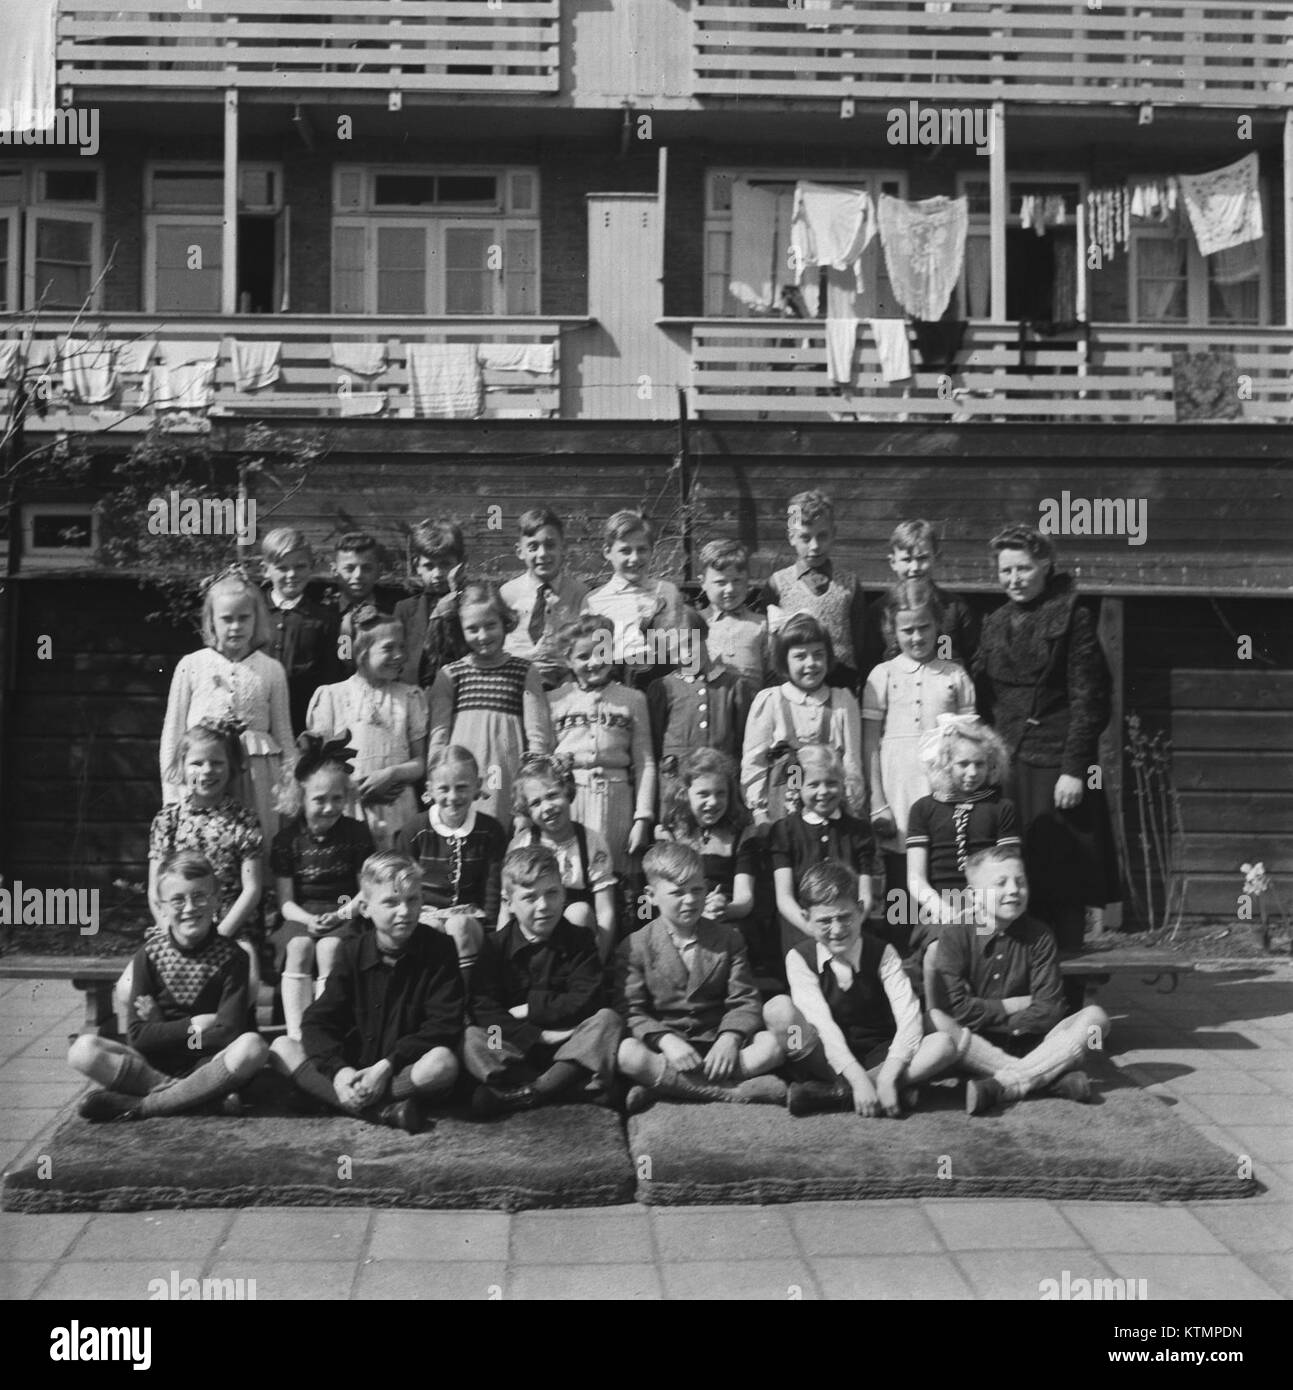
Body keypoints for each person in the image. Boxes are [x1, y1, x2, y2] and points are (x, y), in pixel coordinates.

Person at [972, 526, 1118, 955]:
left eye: (1023, 568)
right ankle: (1021, 979)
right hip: (1008, 766)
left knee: (1063, 877)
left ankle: (1070, 986)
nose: (1014, 579)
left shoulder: (1073, 616)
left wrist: (1075, 770)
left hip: (1057, 768)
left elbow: (1089, 699)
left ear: (1045, 566)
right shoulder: (995, 622)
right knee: (1014, 875)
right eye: (1005, 570)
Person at [269, 851, 463, 1134]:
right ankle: (382, 1111)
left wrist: (387, 1066)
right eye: (391, 902)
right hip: (355, 1065)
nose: (405, 911)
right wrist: (338, 1071)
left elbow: (445, 1024)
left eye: (413, 900)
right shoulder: (352, 951)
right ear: (367, 907)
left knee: (443, 1063)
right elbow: (317, 1021)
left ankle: (335, 1097)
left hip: (403, 1067)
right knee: (281, 1047)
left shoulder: (440, 948)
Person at [70, 852, 268, 1122]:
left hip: (209, 1064)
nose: (189, 908)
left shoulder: (234, 958)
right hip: (156, 1066)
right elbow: (138, 1037)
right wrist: (195, 1025)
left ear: (216, 901)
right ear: (162, 907)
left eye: (199, 896)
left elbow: (227, 1033)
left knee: (252, 1047)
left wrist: (162, 1029)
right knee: (83, 1051)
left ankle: (146, 1106)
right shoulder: (149, 955)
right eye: (177, 899)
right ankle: (199, 1099)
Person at [928, 846, 1111, 1115]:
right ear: (973, 895)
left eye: (1020, 881)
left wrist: (1000, 1018)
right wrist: (1011, 1005)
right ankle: (1046, 1078)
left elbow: (1049, 1009)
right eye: (1001, 883)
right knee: (934, 1019)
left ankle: (1004, 1084)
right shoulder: (955, 936)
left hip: (1033, 1039)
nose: (1014, 890)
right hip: (975, 1046)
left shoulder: (1040, 935)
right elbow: (956, 1009)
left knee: (1097, 1020)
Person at [763, 862, 955, 1117]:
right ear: (806, 919)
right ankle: (877, 1090)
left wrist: (888, 1075)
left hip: (881, 1055)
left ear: (861, 909)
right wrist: (857, 1079)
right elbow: (822, 1025)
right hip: (824, 1059)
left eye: (845, 917)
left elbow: (908, 1018)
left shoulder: (883, 953)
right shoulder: (799, 958)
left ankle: (832, 1096)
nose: (837, 929)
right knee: (779, 1012)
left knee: (943, 1045)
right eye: (825, 921)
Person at [614, 843, 785, 1109]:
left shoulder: (729, 939)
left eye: (697, 890)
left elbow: (745, 1000)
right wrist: (665, 1040)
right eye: (678, 893)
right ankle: (734, 1092)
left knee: (773, 1045)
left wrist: (730, 1038)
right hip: (668, 1050)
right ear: (650, 895)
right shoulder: (634, 945)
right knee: (626, 1054)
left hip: (717, 1047)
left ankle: (668, 1087)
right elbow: (631, 1010)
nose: (691, 900)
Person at [463, 845, 625, 1115]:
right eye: (529, 897)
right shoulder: (495, 947)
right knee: (473, 1037)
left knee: (608, 1020)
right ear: (509, 902)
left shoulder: (579, 940)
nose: (543, 906)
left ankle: (532, 1093)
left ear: (564, 893)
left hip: (570, 1043)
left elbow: (588, 997)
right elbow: (484, 1008)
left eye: (552, 893)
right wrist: (537, 1036)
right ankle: (567, 1087)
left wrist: (532, 1009)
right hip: (515, 1047)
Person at [125, 721, 265, 1028]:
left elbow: (251, 889)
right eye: (197, 763)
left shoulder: (244, 821)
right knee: (127, 990)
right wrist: (172, 933)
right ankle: (163, 1041)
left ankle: (221, 1040)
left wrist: (219, 936)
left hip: (229, 928)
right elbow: (155, 891)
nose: (207, 771)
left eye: (217, 762)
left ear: (230, 767)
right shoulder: (167, 820)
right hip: (175, 926)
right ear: (182, 767)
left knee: (250, 983)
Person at [159, 570, 293, 845]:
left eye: (244, 618)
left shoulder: (271, 670)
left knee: (256, 844)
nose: (235, 627)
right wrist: (172, 792)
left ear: (256, 620)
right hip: (205, 772)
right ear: (211, 621)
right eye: (226, 619)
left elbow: (284, 733)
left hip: (259, 777)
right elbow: (173, 733)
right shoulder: (192, 666)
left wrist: (291, 787)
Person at [862, 578, 976, 896]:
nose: (917, 637)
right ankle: (902, 939)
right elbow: (870, 743)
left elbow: (969, 743)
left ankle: (941, 938)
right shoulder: (881, 675)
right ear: (892, 631)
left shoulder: (956, 676)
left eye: (924, 627)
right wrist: (876, 801)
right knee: (900, 869)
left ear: (937, 624)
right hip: (896, 784)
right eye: (907, 630)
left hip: (941, 785)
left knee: (942, 862)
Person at [271, 731, 374, 1040]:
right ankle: (296, 1033)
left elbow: (364, 890)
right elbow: (286, 902)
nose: (329, 807)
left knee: (330, 947)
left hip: (345, 910)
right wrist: (309, 921)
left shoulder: (355, 833)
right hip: (301, 915)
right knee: (298, 946)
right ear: (300, 798)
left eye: (337, 799)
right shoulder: (287, 840)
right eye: (319, 799)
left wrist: (342, 915)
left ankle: (324, 1030)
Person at [428, 579, 553, 826]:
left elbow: (537, 738)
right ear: (461, 631)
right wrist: (435, 783)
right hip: (460, 779)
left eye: (490, 625)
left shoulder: (525, 671)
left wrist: (532, 793)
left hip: (507, 776)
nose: (483, 635)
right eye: (473, 629)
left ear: (505, 623)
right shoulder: (450, 675)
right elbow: (439, 737)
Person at [548, 613, 657, 877]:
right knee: (571, 872)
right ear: (568, 660)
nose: (595, 662)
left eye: (602, 652)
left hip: (617, 798)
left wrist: (642, 817)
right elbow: (543, 763)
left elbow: (645, 762)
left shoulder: (633, 699)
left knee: (614, 874)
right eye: (583, 657)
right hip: (569, 799)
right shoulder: (554, 700)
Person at [306, 617, 428, 849]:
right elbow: (319, 765)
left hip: (397, 805)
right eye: (389, 648)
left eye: (402, 646)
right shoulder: (333, 696)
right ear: (362, 652)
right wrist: (355, 790)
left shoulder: (410, 697)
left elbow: (420, 762)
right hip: (348, 805)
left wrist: (390, 775)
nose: (399, 655)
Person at [393, 745, 509, 988]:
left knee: (458, 925)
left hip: (470, 919)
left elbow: (492, 885)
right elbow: (401, 885)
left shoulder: (490, 831)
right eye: (444, 789)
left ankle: (466, 1003)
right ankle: (429, 998)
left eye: (462, 787)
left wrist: (491, 931)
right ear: (429, 790)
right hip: (425, 915)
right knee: (429, 927)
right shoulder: (415, 829)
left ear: (477, 785)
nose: (453, 797)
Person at [741, 612, 865, 826]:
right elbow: (755, 760)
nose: (811, 663)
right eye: (800, 656)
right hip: (785, 798)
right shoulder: (771, 700)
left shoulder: (842, 700)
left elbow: (852, 760)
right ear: (784, 660)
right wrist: (759, 810)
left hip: (830, 802)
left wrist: (853, 804)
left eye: (818, 654)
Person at [770, 743, 881, 955]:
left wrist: (847, 929)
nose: (823, 792)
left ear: (842, 784)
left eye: (831, 783)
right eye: (813, 785)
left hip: (849, 933)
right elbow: (784, 898)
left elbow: (865, 895)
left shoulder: (859, 831)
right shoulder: (784, 831)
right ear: (799, 786)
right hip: (802, 933)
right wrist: (814, 929)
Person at [508, 753, 618, 961]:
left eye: (552, 795)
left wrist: (600, 961)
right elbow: (509, 906)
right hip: (535, 927)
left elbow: (606, 911)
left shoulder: (592, 842)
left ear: (567, 791)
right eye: (536, 803)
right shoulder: (521, 844)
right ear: (526, 810)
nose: (547, 807)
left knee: (579, 912)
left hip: (578, 943)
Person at [646, 606, 753, 813]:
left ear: (704, 637)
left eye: (690, 643)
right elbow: (655, 742)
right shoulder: (662, 688)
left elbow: (743, 741)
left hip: (719, 788)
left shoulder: (733, 685)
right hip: (675, 785)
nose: (685, 654)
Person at [761, 489, 867, 691]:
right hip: (793, 685)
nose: (815, 546)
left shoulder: (850, 584)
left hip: (840, 685)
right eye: (805, 538)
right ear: (791, 537)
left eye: (822, 536)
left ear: (833, 534)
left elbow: (860, 645)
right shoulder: (777, 584)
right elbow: (771, 644)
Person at [860, 519, 979, 677]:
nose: (914, 568)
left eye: (922, 558)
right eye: (907, 560)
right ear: (893, 562)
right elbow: (870, 666)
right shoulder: (879, 612)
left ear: (936, 558)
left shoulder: (955, 608)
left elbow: (974, 661)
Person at [656, 748, 757, 929]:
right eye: (703, 794)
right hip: (681, 922)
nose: (713, 802)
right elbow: (662, 895)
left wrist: (723, 908)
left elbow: (745, 900)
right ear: (686, 793)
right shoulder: (670, 834)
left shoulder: (742, 834)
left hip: (726, 925)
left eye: (720, 793)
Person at [586, 509, 686, 686]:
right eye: (625, 551)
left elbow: (680, 646)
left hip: (661, 683)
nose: (634, 559)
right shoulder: (594, 601)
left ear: (651, 551)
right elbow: (592, 653)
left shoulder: (668, 592)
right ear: (608, 551)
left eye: (641, 550)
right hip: (618, 685)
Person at [260, 527, 342, 735]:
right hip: (259, 720)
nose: (292, 575)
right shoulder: (253, 614)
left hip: (304, 723)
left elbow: (332, 677)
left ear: (311, 567)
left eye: (300, 566)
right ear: (265, 569)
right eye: (282, 567)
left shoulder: (326, 620)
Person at [501, 506, 589, 690]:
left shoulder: (581, 594)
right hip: (517, 683)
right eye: (533, 547)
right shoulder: (507, 594)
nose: (542, 554)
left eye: (550, 545)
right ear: (520, 551)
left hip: (566, 686)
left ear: (563, 548)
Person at [393, 517, 469, 692]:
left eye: (446, 564)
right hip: (414, 694)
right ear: (416, 566)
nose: (438, 573)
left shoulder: (472, 604)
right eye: (429, 566)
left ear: (461, 563)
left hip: (461, 693)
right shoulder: (405, 609)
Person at [694, 538, 771, 688]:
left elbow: (773, 676)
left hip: (752, 707)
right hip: (712, 705)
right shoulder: (695, 623)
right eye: (721, 582)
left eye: (737, 581)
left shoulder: (761, 625)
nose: (730, 589)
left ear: (747, 581)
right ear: (702, 582)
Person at [331, 531, 397, 672]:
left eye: (366, 568)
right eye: (349, 568)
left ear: (379, 571)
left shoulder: (392, 612)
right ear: (334, 570)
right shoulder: (324, 613)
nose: (358, 576)